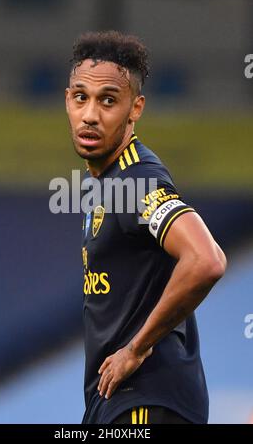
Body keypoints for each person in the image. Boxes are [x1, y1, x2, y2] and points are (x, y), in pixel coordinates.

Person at [65, 31, 227, 424]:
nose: (90, 114)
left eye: (108, 100)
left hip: (145, 402)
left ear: (135, 108)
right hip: (119, 403)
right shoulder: (107, 182)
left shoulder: (137, 180)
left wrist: (136, 349)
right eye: (80, 97)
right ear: (67, 99)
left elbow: (207, 260)